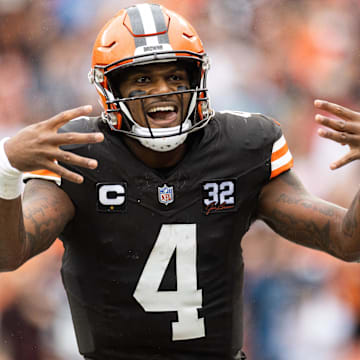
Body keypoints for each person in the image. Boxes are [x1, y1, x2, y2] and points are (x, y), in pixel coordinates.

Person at [0, 3, 359, 360]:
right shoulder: (80, 154)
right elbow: (9, 254)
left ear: (196, 78)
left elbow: (346, 240)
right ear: (110, 88)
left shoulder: (243, 147)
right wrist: (6, 170)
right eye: (143, 79)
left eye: (175, 76)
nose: (163, 91)